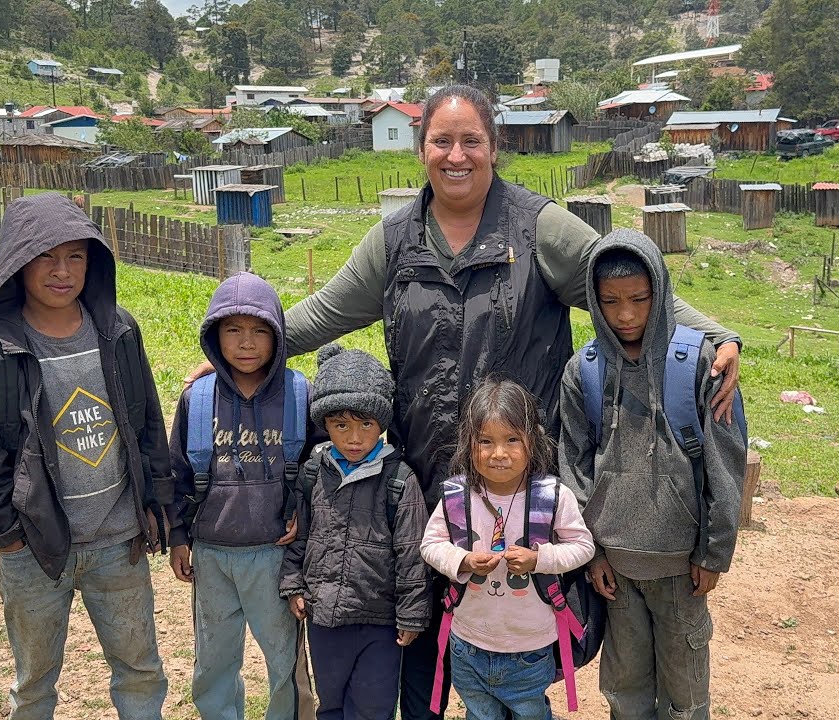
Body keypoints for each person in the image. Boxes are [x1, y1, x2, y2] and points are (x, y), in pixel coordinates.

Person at [190, 83, 743, 719]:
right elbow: (327, 311)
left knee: (518, 625)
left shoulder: (537, 228)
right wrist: (248, 345)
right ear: (422, 149)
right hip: (428, 475)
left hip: (520, 483)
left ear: (494, 148)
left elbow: (625, 271)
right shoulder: (394, 241)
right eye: (442, 141)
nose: (457, 155)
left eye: (471, 141)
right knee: (425, 619)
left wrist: (711, 333)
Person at [0, 192, 170, 719]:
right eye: (46, 257)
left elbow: (147, 424)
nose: (62, 271)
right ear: (17, 263)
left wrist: (156, 504)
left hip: (118, 543)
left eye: (76, 256)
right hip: (35, 549)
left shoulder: (118, 331)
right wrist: (6, 536)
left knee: (141, 670)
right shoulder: (1, 348)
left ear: (92, 262)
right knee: (34, 683)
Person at [557, 230, 747, 720]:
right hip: (616, 572)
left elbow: (725, 465)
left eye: (639, 300)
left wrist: (714, 552)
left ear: (659, 293)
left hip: (682, 568)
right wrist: (591, 551)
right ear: (595, 304)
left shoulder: (701, 364)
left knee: (685, 695)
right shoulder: (585, 372)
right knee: (625, 689)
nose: (625, 315)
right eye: (611, 302)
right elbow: (572, 466)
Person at [166, 271, 305, 720]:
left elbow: (318, 472)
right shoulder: (197, 399)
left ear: (278, 336)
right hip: (212, 554)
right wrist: (177, 537)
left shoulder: (300, 395)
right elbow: (177, 474)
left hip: (274, 556)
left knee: (284, 658)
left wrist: (303, 516)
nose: (246, 343)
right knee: (214, 658)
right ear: (214, 336)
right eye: (232, 330)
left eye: (260, 331)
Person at [421, 378, 595, 720]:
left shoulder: (552, 496)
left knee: (530, 713)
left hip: (529, 649)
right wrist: (463, 560)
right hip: (467, 643)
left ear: (533, 441)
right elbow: (431, 544)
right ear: (469, 445)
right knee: (480, 714)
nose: (498, 453)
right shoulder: (457, 497)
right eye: (485, 441)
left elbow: (582, 546)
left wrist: (539, 559)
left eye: (512, 440)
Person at [280, 343, 430, 720]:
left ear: (382, 424)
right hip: (324, 617)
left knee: (373, 707)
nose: (354, 438)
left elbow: (412, 552)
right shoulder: (314, 474)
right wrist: (294, 584)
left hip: (380, 623)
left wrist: (412, 613)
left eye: (366, 424)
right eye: (340, 425)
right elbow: (298, 536)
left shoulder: (399, 480)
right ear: (325, 425)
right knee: (330, 704)